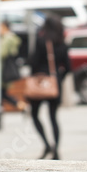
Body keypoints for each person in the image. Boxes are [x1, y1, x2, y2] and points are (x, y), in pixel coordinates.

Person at [26, 14, 70, 160]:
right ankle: (56, 151)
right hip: (54, 85)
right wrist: (58, 78)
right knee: (53, 118)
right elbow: (68, 67)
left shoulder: (41, 41)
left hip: (39, 83)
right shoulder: (62, 43)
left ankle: (46, 144)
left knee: (34, 115)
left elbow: (33, 62)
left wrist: (34, 78)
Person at [0, 21, 21, 110]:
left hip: (3, 70)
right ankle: (21, 105)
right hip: (6, 70)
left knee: (1, 93)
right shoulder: (12, 38)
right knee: (2, 93)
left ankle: (21, 105)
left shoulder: (7, 39)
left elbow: (2, 53)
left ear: (4, 27)